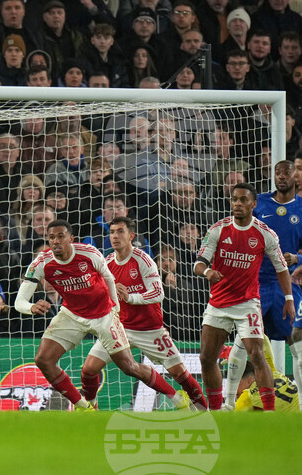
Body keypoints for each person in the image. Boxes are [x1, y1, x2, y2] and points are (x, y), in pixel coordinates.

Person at [13, 220, 182, 410]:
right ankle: (83, 407)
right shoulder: (41, 263)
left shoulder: (89, 253)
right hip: (71, 314)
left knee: (129, 367)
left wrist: (115, 310)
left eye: (61, 236)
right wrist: (31, 307)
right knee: (43, 360)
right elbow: (19, 302)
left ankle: (175, 397)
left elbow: (109, 278)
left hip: (104, 314)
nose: (55, 242)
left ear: (71, 238)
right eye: (51, 237)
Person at [78, 217, 206, 410]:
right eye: (112, 232)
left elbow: (158, 293)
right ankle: (90, 408)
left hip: (150, 330)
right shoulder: (108, 263)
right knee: (88, 369)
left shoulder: (143, 259)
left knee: (180, 374)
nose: (115, 236)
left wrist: (131, 298)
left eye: (120, 231)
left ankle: (206, 410)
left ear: (131, 235)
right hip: (119, 328)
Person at [195, 183, 294, 411]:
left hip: (248, 303)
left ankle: (269, 412)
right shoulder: (218, 229)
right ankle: (216, 410)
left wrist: (288, 299)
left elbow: (281, 267)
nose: (238, 204)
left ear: (253, 204)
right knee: (206, 359)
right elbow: (199, 263)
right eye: (234, 200)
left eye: (243, 200)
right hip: (218, 304)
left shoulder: (264, 233)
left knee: (257, 354)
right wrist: (208, 271)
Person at [221, 164, 302, 409]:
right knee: (242, 341)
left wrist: (297, 259)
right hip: (256, 282)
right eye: (278, 172)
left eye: (287, 172)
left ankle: (301, 407)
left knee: (297, 341)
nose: (282, 176)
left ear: (295, 177)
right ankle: (227, 402)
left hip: (287, 284)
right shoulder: (259, 204)